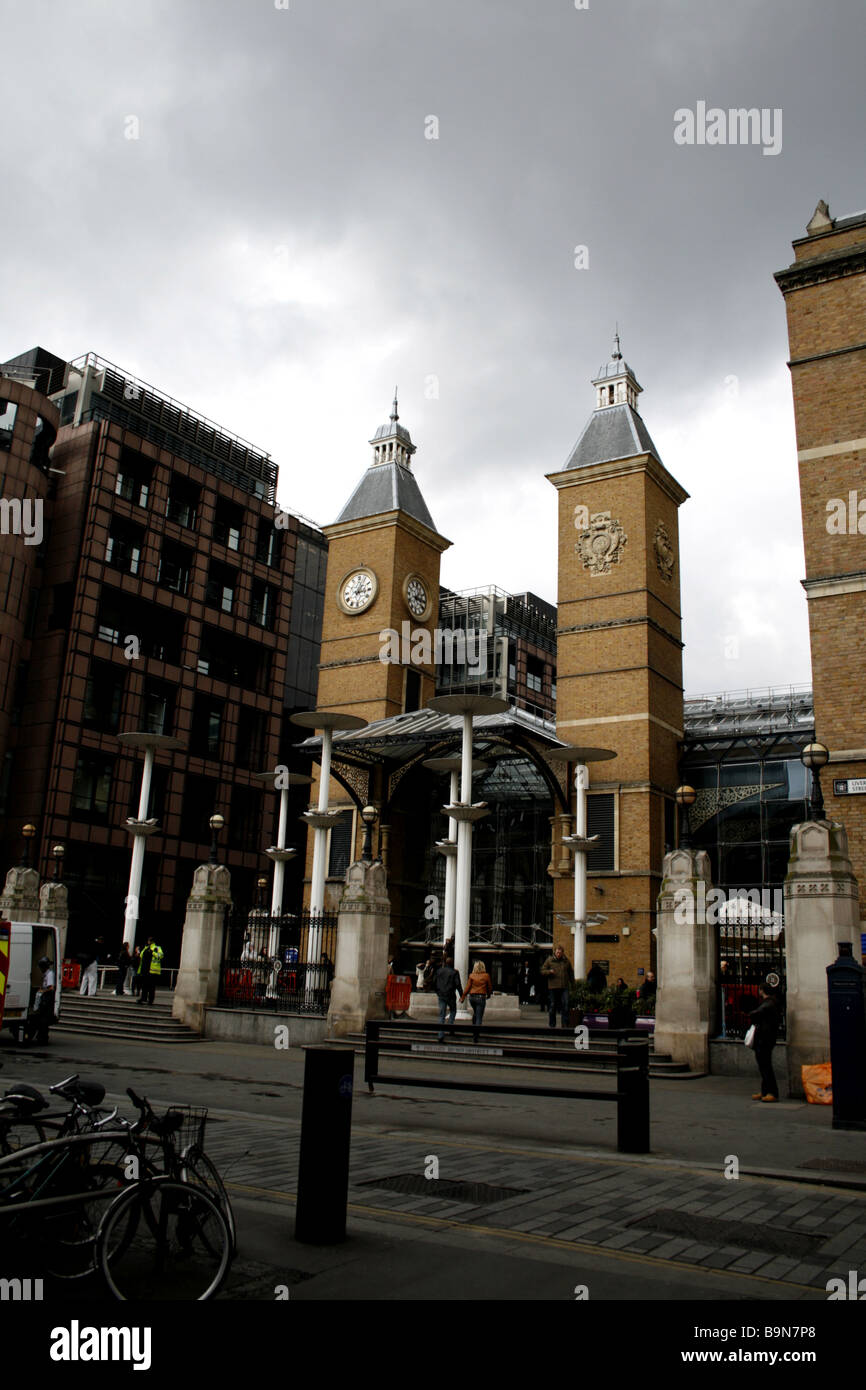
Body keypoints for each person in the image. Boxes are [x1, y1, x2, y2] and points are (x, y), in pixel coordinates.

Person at [749, 985, 781, 1102]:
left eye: (760, 989)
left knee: (765, 1066)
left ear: (762, 990)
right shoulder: (770, 1003)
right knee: (763, 1066)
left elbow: (755, 1014)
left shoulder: (768, 1004)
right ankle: (765, 1091)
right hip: (765, 1038)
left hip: (765, 1039)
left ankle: (772, 1092)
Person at [541, 944, 574, 1029]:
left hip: (564, 987)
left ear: (563, 953)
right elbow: (542, 971)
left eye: (560, 952)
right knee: (553, 1005)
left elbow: (571, 973)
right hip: (553, 987)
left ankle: (565, 1025)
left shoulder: (566, 961)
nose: (558, 954)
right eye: (557, 952)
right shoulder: (549, 960)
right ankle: (552, 1025)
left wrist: (573, 984)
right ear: (555, 952)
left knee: (566, 1005)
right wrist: (549, 971)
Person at [460, 959, 493, 1040]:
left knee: (475, 1013)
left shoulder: (471, 975)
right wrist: (488, 995)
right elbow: (489, 987)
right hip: (481, 997)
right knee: (479, 1016)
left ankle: (473, 1028)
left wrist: (463, 997)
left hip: (472, 997)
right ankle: (476, 1034)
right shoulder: (486, 976)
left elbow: (467, 987)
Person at [435, 955, 462, 1041]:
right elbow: (458, 984)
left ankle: (440, 1034)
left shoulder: (439, 971)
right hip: (450, 994)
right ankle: (450, 1026)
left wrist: (437, 991)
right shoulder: (454, 972)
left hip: (441, 994)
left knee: (442, 1014)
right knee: (453, 1011)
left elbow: (434, 982)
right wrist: (462, 995)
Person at [30, 957, 56, 1044]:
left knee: (44, 1020)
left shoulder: (50, 974)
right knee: (41, 1019)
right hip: (45, 999)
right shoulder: (45, 974)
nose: (40, 969)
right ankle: (41, 1036)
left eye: (41, 967)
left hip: (48, 1000)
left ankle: (43, 1037)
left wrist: (42, 991)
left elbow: (51, 988)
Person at [137, 936, 163, 1005]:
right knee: (144, 985)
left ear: (151, 941)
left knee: (151, 986)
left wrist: (153, 952)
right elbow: (141, 956)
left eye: (149, 941)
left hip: (152, 970)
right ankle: (143, 998)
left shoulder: (157, 948)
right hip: (145, 970)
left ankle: (150, 1000)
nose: (148, 942)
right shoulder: (146, 948)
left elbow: (160, 956)